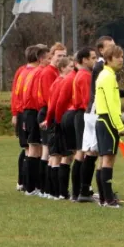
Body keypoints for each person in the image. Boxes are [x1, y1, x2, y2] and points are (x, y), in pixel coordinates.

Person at [95, 45, 124, 208]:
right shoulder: (107, 77)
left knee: (103, 159)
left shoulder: (106, 75)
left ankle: (103, 198)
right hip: (108, 121)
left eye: (122, 56)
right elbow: (111, 104)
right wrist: (119, 126)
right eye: (118, 56)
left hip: (103, 120)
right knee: (108, 159)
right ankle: (108, 199)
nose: (121, 59)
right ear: (109, 59)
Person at [40, 56, 74, 199]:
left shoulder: (58, 81)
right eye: (70, 67)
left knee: (56, 156)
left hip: (55, 120)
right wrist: (51, 120)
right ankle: (58, 192)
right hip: (58, 121)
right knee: (60, 156)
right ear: (62, 68)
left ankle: (51, 191)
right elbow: (54, 104)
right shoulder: (61, 82)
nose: (73, 69)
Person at [37, 42, 67, 198]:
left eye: (64, 56)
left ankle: (46, 189)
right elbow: (52, 98)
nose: (61, 58)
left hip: (51, 113)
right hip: (49, 113)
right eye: (58, 56)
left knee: (50, 153)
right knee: (48, 152)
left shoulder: (56, 72)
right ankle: (45, 188)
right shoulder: (49, 73)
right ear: (51, 56)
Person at [69, 47, 97, 202]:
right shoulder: (85, 76)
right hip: (83, 115)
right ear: (84, 60)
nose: (95, 60)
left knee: (81, 152)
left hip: (80, 115)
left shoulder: (81, 74)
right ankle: (80, 191)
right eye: (92, 58)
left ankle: (77, 191)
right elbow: (88, 100)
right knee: (83, 153)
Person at [22, 45, 51, 196]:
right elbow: (37, 96)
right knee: (34, 149)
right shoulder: (40, 73)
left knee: (36, 149)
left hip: (30, 112)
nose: (50, 61)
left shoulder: (34, 72)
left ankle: (32, 186)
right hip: (33, 112)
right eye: (49, 58)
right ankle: (31, 187)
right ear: (41, 59)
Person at [11, 45, 35, 191]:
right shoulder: (25, 71)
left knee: (27, 147)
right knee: (28, 147)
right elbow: (16, 92)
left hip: (22, 112)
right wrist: (15, 113)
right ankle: (25, 182)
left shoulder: (22, 70)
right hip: (25, 112)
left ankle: (23, 182)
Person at [54, 57, 79, 199]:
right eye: (69, 66)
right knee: (69, 155)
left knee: (67, 155)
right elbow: (59, 102)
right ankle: (65, 191)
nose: (71, 68)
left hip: (64, 119)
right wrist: (58, 121)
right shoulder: (69, 79)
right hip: (67, 119)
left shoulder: (66, 79)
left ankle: (61, 191)